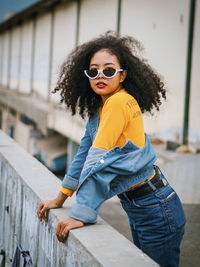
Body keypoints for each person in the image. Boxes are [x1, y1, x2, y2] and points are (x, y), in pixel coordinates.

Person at [37, 31, 186, 267]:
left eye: (108, 70)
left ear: (123, 74)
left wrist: (81, 214)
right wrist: (60, 198)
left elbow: (96, 161)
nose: (100, 75)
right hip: (142, 204)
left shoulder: (119, 102)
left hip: (155, 206)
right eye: (93, 71)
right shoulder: (101, 108)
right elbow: (83, 155)